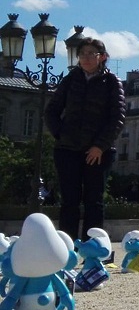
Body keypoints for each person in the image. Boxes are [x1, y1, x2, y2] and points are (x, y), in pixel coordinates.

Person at [44, 37, 126, 241]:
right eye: (82, 54)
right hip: (67, 149)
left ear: (103, 57)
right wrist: (61, 135)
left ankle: (93, 248)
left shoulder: (112, 82)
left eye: (91, 54)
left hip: (99, 152)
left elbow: (117, 118)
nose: (86, 58)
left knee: (94, 201)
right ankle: (66, 246)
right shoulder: (71, 79)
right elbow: (52, 111)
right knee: (69, 201)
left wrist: (100, 146)